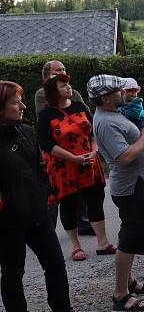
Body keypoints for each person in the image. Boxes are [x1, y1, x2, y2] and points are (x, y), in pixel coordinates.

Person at [0, 81, 94, 312]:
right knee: (12, 272)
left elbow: (40, 167)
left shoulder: (26, 131)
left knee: (55, 263)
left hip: (37, 213)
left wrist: (43, 193)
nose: (22, 106)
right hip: (7, 221)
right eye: (15, 102)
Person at [90, 74, 144, 312]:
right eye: (120, 90)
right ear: (107, 97)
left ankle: (129, 282)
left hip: (137, 183)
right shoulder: (107, 122)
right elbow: (123, 157)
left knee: (131, 234)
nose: (124, 93)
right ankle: (120, 294)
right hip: (131, 186)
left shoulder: (113, 114)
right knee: (130, 238)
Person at [37, 74, 115, 261]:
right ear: (54, 92)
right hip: (65, 169)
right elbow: (47, 144)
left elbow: (92, 131)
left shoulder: (80, 106)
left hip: (89, 163)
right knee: (69, 205)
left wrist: (94, 150)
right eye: (63, 85)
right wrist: (74, 158)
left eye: (68, 84)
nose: (68, 87)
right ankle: (76, 246)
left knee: (95, 200)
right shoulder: (46, 115)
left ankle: (103, 241)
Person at [34, 60, 92, 235]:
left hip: (78, 147)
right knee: (55, 190)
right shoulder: (41, 94)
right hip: (57, 150)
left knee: (80, 187)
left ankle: (82, 222)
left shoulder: (74, 93)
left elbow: (86, 115)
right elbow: (46, 119)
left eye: (64, 69)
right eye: (57, 70)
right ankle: (47, 228)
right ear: (47, 76)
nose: (62, 72)